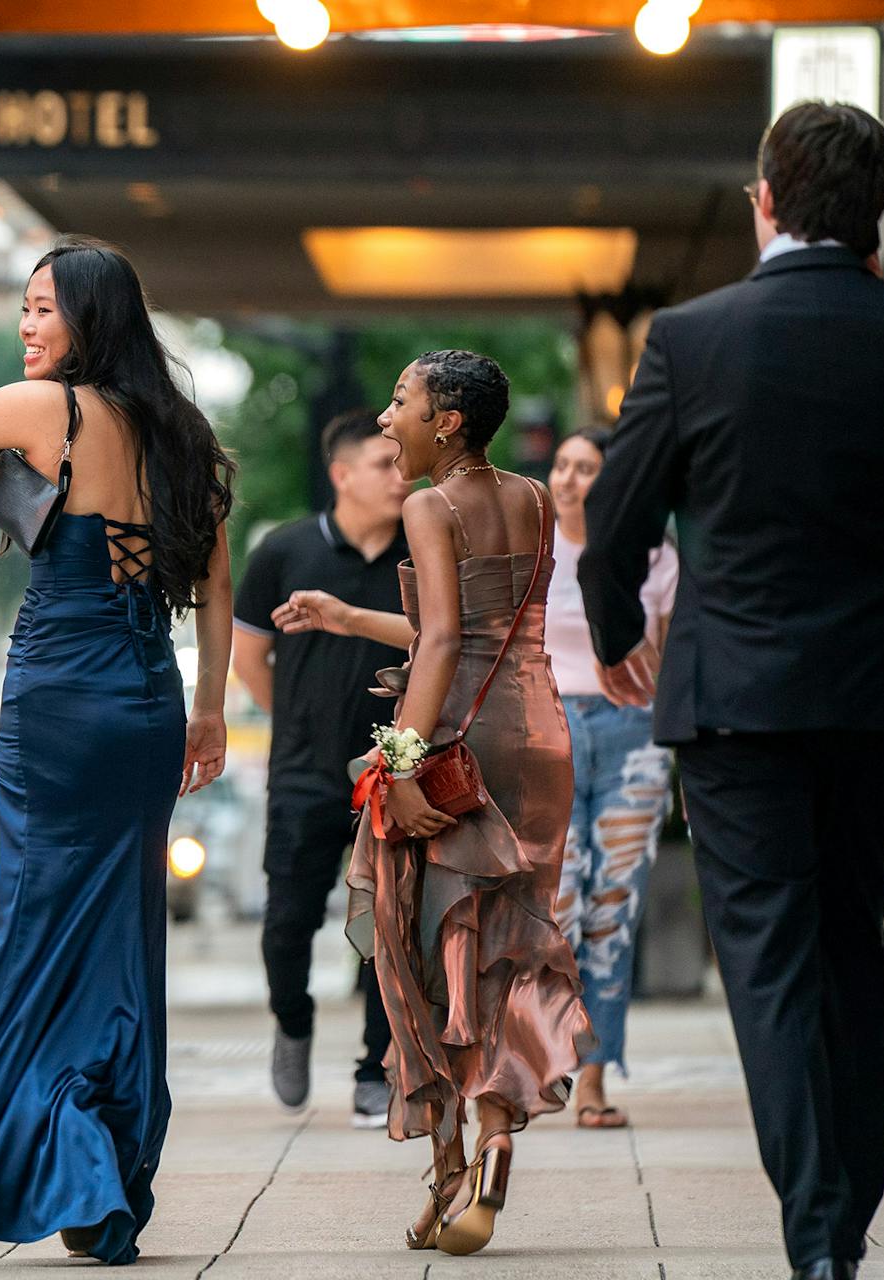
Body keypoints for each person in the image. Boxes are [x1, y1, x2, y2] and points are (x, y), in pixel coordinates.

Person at [580, 102, 884, 1280]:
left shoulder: (691, 336)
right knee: (852, 940)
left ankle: (817, 1234)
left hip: (731, 688)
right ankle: (838, 1223)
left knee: (766, 958)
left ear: (764, 199)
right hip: (873, 679)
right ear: (869, 209)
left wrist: (610, 635)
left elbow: (615, 514)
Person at [0, 237, 235, 1267]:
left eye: (41, 310)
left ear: (89, 320)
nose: (26, 328)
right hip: (150, 700)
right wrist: (209, 712)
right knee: (118, 932)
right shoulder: (185, 434)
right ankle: (105, 1156)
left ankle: (67, 1149)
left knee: (29, 929)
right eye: (23, 311)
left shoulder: (49, 411)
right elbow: (215, 587)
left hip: (60, 703)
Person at [279, 350, 592, 1257]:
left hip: (459, 741)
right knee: (508, 948)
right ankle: (488, 1159)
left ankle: (457, 1161)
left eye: (402, 403)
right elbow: (477, 626)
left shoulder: (426, 503)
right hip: (539, 738)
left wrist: (404, 762)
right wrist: (350, 617)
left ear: (447, 420)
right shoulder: (532, 499)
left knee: (427, 952)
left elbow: (447, 639)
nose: (387, 419)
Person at [232, 409, 409, 1125]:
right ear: (341, 474)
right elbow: (249, 659)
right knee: (287, 923)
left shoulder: (419, 550)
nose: (401, 477)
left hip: (396, 769)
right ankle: (293, 1021)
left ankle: (374, 1068)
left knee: (383, 928)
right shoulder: (284, 550)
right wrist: (300, 726)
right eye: (383, 464)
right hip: (304, 772)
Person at [544, 428, 678, 1130]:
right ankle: (553, 1064)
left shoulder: (651, 554)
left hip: (632, 736)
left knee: (613, 912)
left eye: (587, 468)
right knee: (560, 909)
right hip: (551, 732)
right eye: (562, 465)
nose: (569, 479)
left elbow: (668, 650)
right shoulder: (532, 548)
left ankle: (593, 1078)